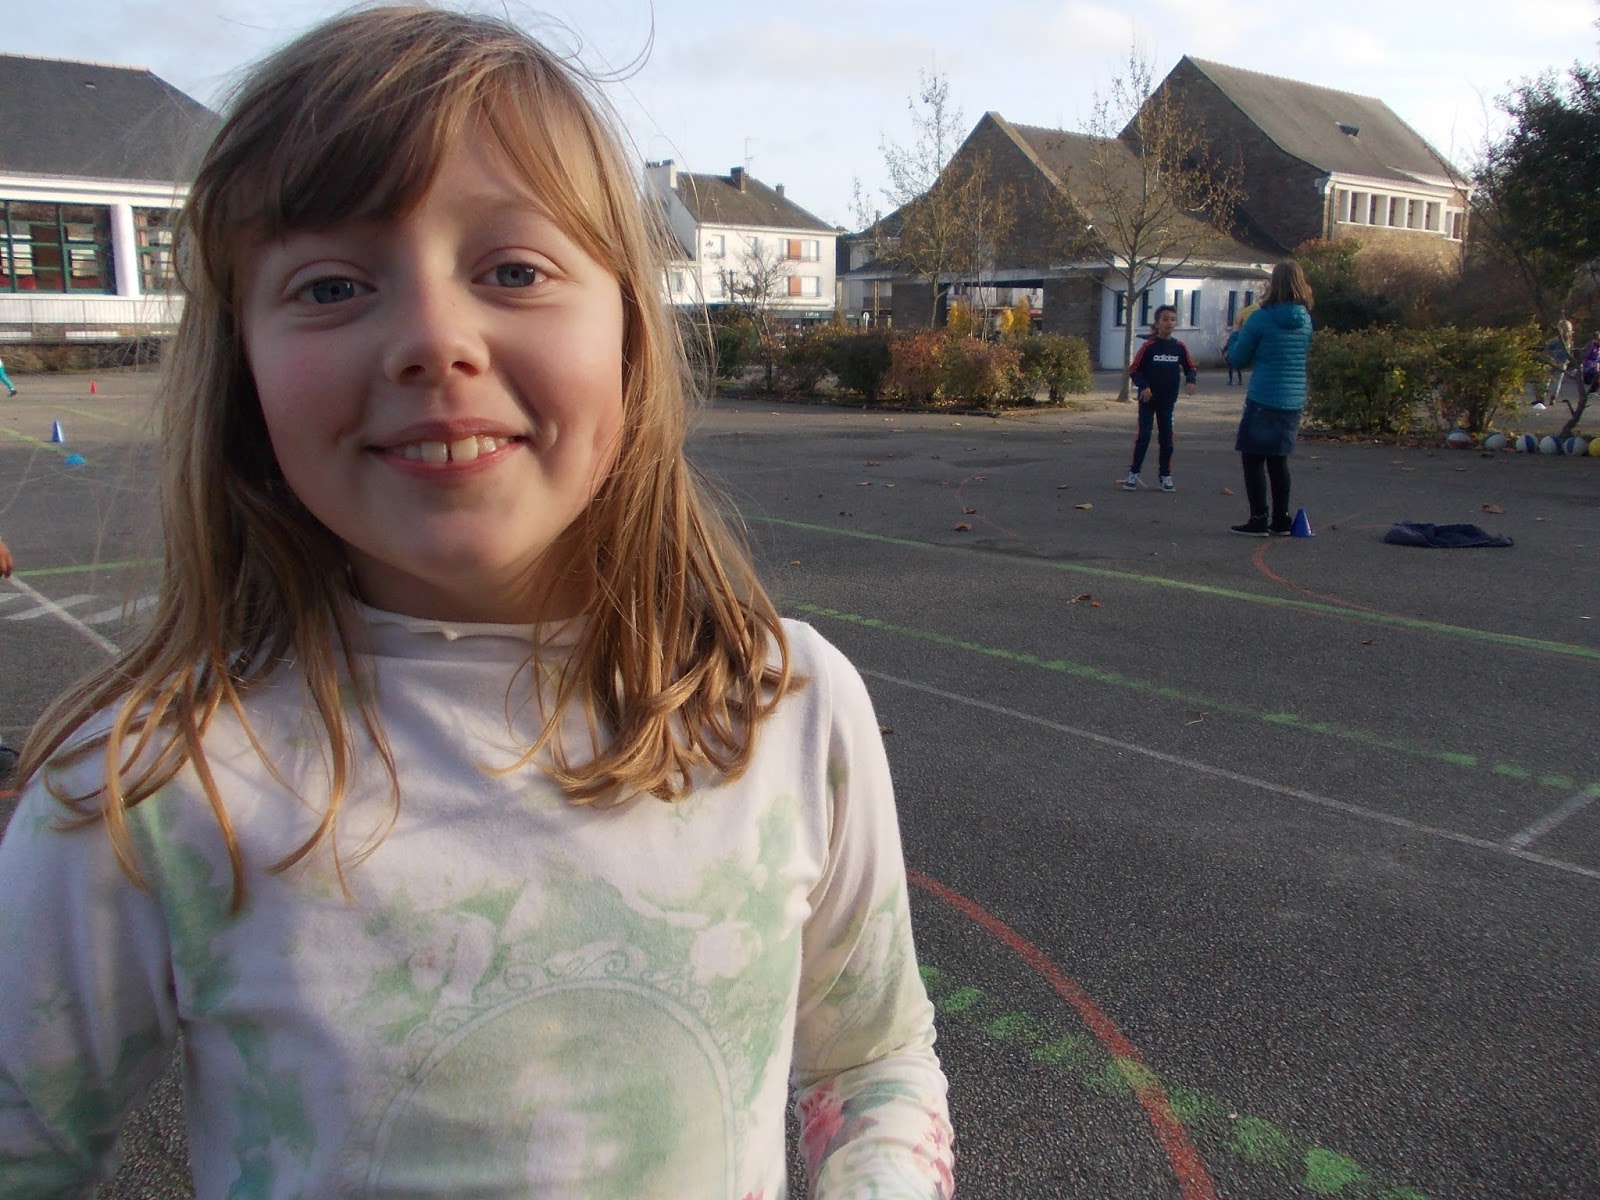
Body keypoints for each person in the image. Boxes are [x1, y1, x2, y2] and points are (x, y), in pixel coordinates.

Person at [0, 8, 954, 1198]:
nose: (434, 339)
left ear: (630, 334)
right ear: (242, 365)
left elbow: (870, 1065)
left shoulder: (783, 706)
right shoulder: (147, 790)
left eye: (513, 269)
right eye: (333, 284)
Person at [1225, 261, 1314, 536]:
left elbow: (1237, 358)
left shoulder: (1261, 318)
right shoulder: (1305, 318)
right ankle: (1281, 518)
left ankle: (1258, 518)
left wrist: (1236, 334)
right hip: (1293, 398)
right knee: (1279, 460)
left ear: (1272, 283)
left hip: (1264, 395)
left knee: (1252, 458)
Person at [1123, 304, 1197, 493]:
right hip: (1148, 401)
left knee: (1166, 439)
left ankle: (1165, 475)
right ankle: (1133, 473)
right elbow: (1135, 369)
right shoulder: (1149, 346)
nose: (1169, 323)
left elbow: (1190, 366)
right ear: (1157, 323)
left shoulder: (1179, 347)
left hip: (1168, 401)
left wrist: (1190, 380)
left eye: (1172, 319)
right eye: (1165, 319)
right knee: (1144, 436)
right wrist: (1144, 386)